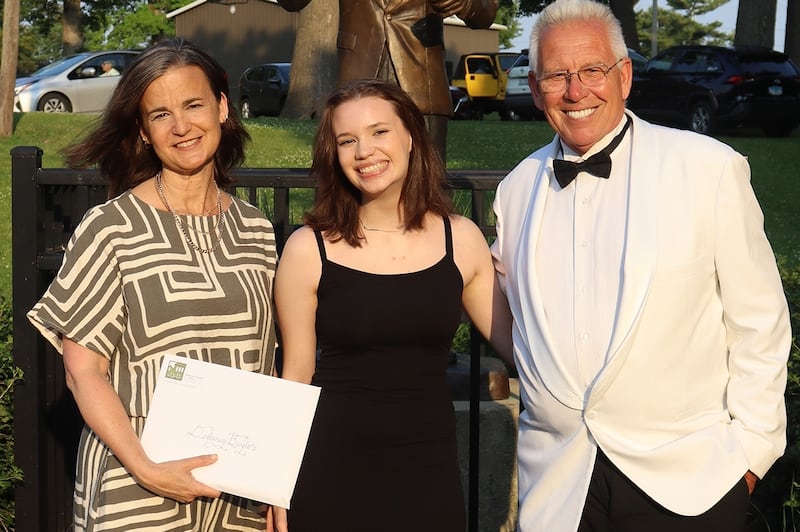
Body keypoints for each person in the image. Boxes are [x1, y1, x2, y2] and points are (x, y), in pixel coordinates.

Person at [490, 0, 792, 531]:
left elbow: (759, 323)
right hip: (561, 488)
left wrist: (751, 453)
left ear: (624, 76)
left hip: (690, 483)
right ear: (536, 88)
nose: (576, 91)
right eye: (558, 75)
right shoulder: (517, 190)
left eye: (591, 71)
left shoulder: (709, 170)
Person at [27, 38, 278, 531]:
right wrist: (146, 467)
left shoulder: (257, 230)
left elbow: (266, 365)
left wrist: (271, 484)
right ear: (143, 131)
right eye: (160, 114)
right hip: (137, 488)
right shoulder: (110, 227)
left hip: (235, 492)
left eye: (193, 105)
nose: (181, 126)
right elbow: (83, 371)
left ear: (222, 107)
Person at [271, 78, 513, 532]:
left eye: (379, 132)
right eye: (347, 140)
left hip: (429, 470)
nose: (364, 150)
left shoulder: (460, 238)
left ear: (410, 136)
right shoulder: (308, 248)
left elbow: (517, 346)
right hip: (330, 468)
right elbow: (296, 375)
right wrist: (277, 484)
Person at [275, 0, 498, 160]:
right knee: (351, 185)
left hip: (421, 77)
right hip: (358, 71)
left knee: (427, 187)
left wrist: (466, 4)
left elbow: (486, 12)